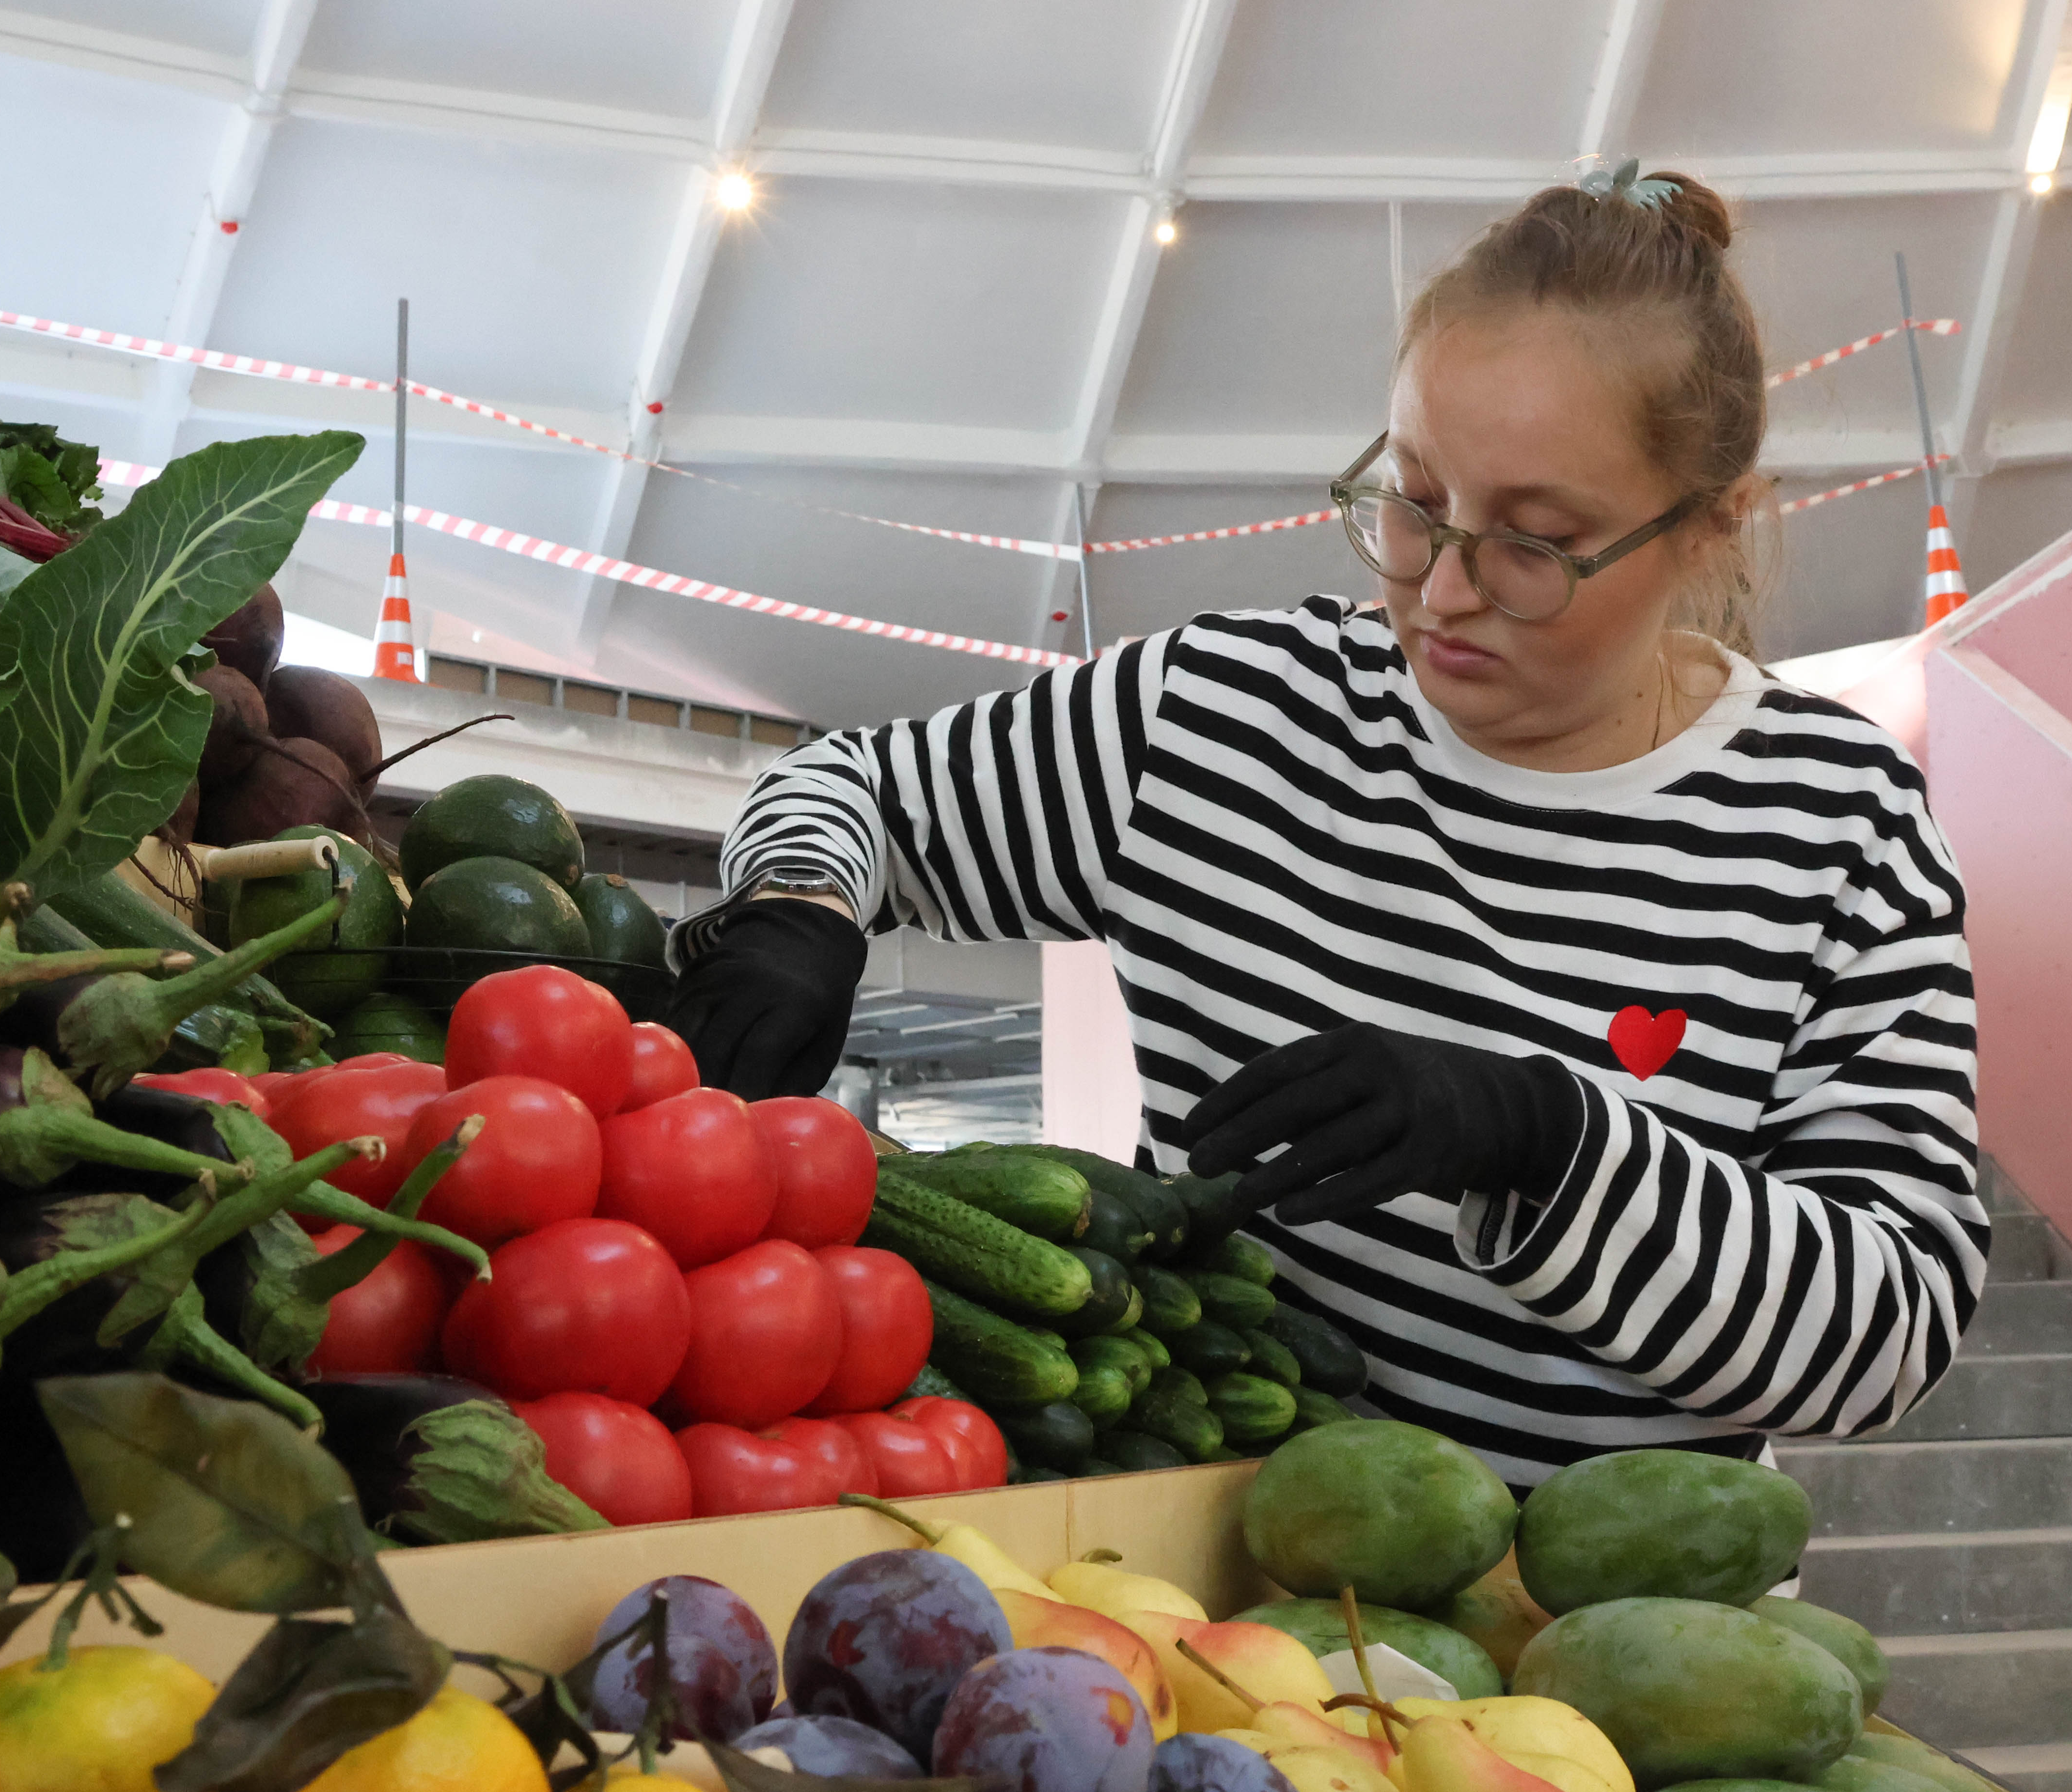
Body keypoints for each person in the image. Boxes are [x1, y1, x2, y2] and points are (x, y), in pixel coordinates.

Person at [663, 166, 1985, 1485]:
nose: (1442, 590)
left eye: (1534, 542)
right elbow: (856, 791)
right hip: (1192, 1583)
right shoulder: (1225, 714)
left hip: (1600, 1641)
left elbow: (1887, 1332)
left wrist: (1545, 1137)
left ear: (1709, 529)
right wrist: (800, 907)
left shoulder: (1834, 827)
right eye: (1413, 500)